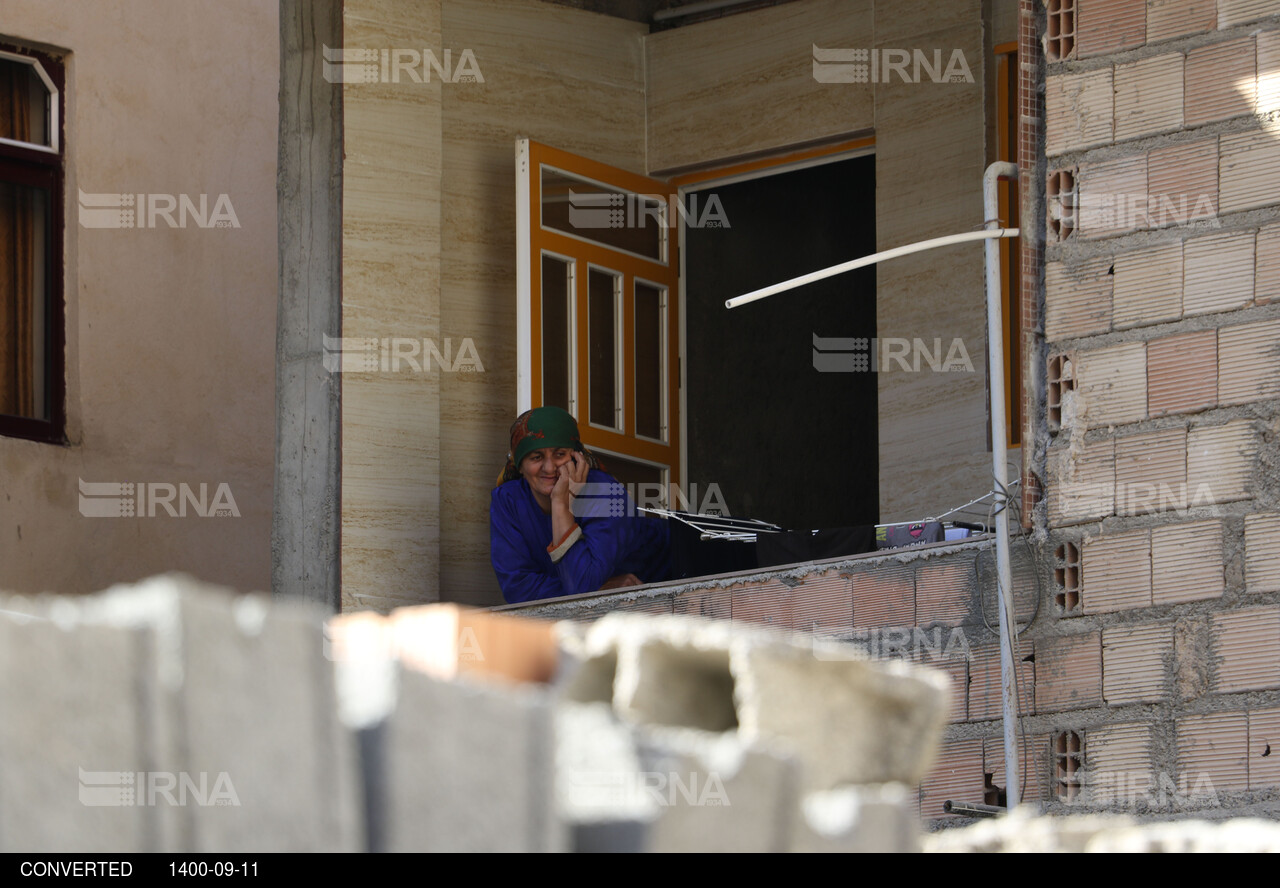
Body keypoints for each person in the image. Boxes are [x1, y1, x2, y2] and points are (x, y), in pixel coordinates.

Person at [490, 406, 671, 604]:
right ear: (520, 464)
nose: (549, 468)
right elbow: (518, 590)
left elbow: (582, 585)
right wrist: (601, 590)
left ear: (578, 458)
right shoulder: (508, 500)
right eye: (536, 457)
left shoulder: (606, 493)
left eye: (560, 454)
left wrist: (560, 504)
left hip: (675, 581)